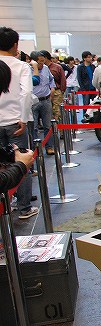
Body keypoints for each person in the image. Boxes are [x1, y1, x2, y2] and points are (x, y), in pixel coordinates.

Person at [0, 27, 38, 219]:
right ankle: (24, 207)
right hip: (16, 121)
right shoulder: (21, 66)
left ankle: (6, 204)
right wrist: (23, 119)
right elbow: (26, 93)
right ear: (15, 45)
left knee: (2, 166)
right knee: (22, 161)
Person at [29, 51, 56, 155]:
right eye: (40, 62)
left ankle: (49, 146)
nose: (42, 64)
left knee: (47, 125)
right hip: (33, 102)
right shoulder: (27, 70)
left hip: (46, 100)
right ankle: (36, 149)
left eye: (43, 61)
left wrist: (52, 88)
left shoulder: (45, 68)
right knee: (34, 127)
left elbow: (51, 79)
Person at [40, 50, 66, 122]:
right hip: (44, 93)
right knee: (47, 112)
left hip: (56, 92)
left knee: (57, 111)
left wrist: (62, 90)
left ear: (46, 58)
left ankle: (60, 127)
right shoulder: (40, 68)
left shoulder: (57, 67)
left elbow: (63, 79)